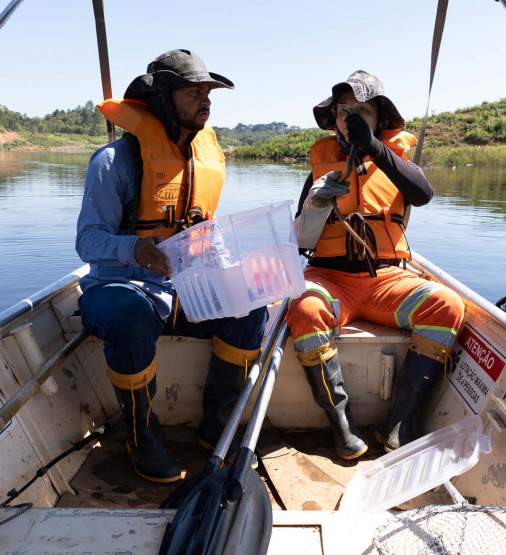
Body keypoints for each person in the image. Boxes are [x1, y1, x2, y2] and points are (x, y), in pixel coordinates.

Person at [76, 49, 268, 483]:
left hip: (181, 290)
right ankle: (141, 434)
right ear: (163, 98)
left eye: (208, 93)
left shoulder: (203, 160)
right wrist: (135, 248)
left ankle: (216, 427)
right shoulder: (113, 162)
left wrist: (232, 269)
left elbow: (206, 233)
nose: (206, 101)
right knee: (128, 315)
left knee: (249, 306)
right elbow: (86, 240)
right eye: (194, 92)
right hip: (119, 291)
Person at [289, 70, 465, 458]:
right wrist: (315, 205)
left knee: (448, 305)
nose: (349, 117)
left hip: (386, 281)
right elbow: (299, 243)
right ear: (333, 119)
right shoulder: (319, 167)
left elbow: (422, 193)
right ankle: (343, 424)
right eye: (342, 111)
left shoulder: (397, 163)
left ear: (379, 118)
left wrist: (373, 147)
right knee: (304, 308)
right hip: (329, 277)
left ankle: (397, 423)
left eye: (362, 110)